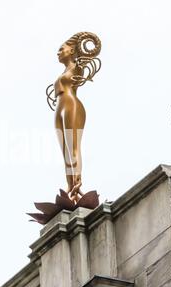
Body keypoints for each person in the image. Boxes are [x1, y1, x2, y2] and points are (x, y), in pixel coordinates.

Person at [46, 32, 102, 202]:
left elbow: (87, 61)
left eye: (61, 49)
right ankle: (70, 187)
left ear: (71, 51)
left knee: (73, 147)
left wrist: (85, 47)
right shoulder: (64, 71)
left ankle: (77, 184)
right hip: (60, 107)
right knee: (65, 152)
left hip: (72, 104)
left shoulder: (77, 67)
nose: (58, 52)